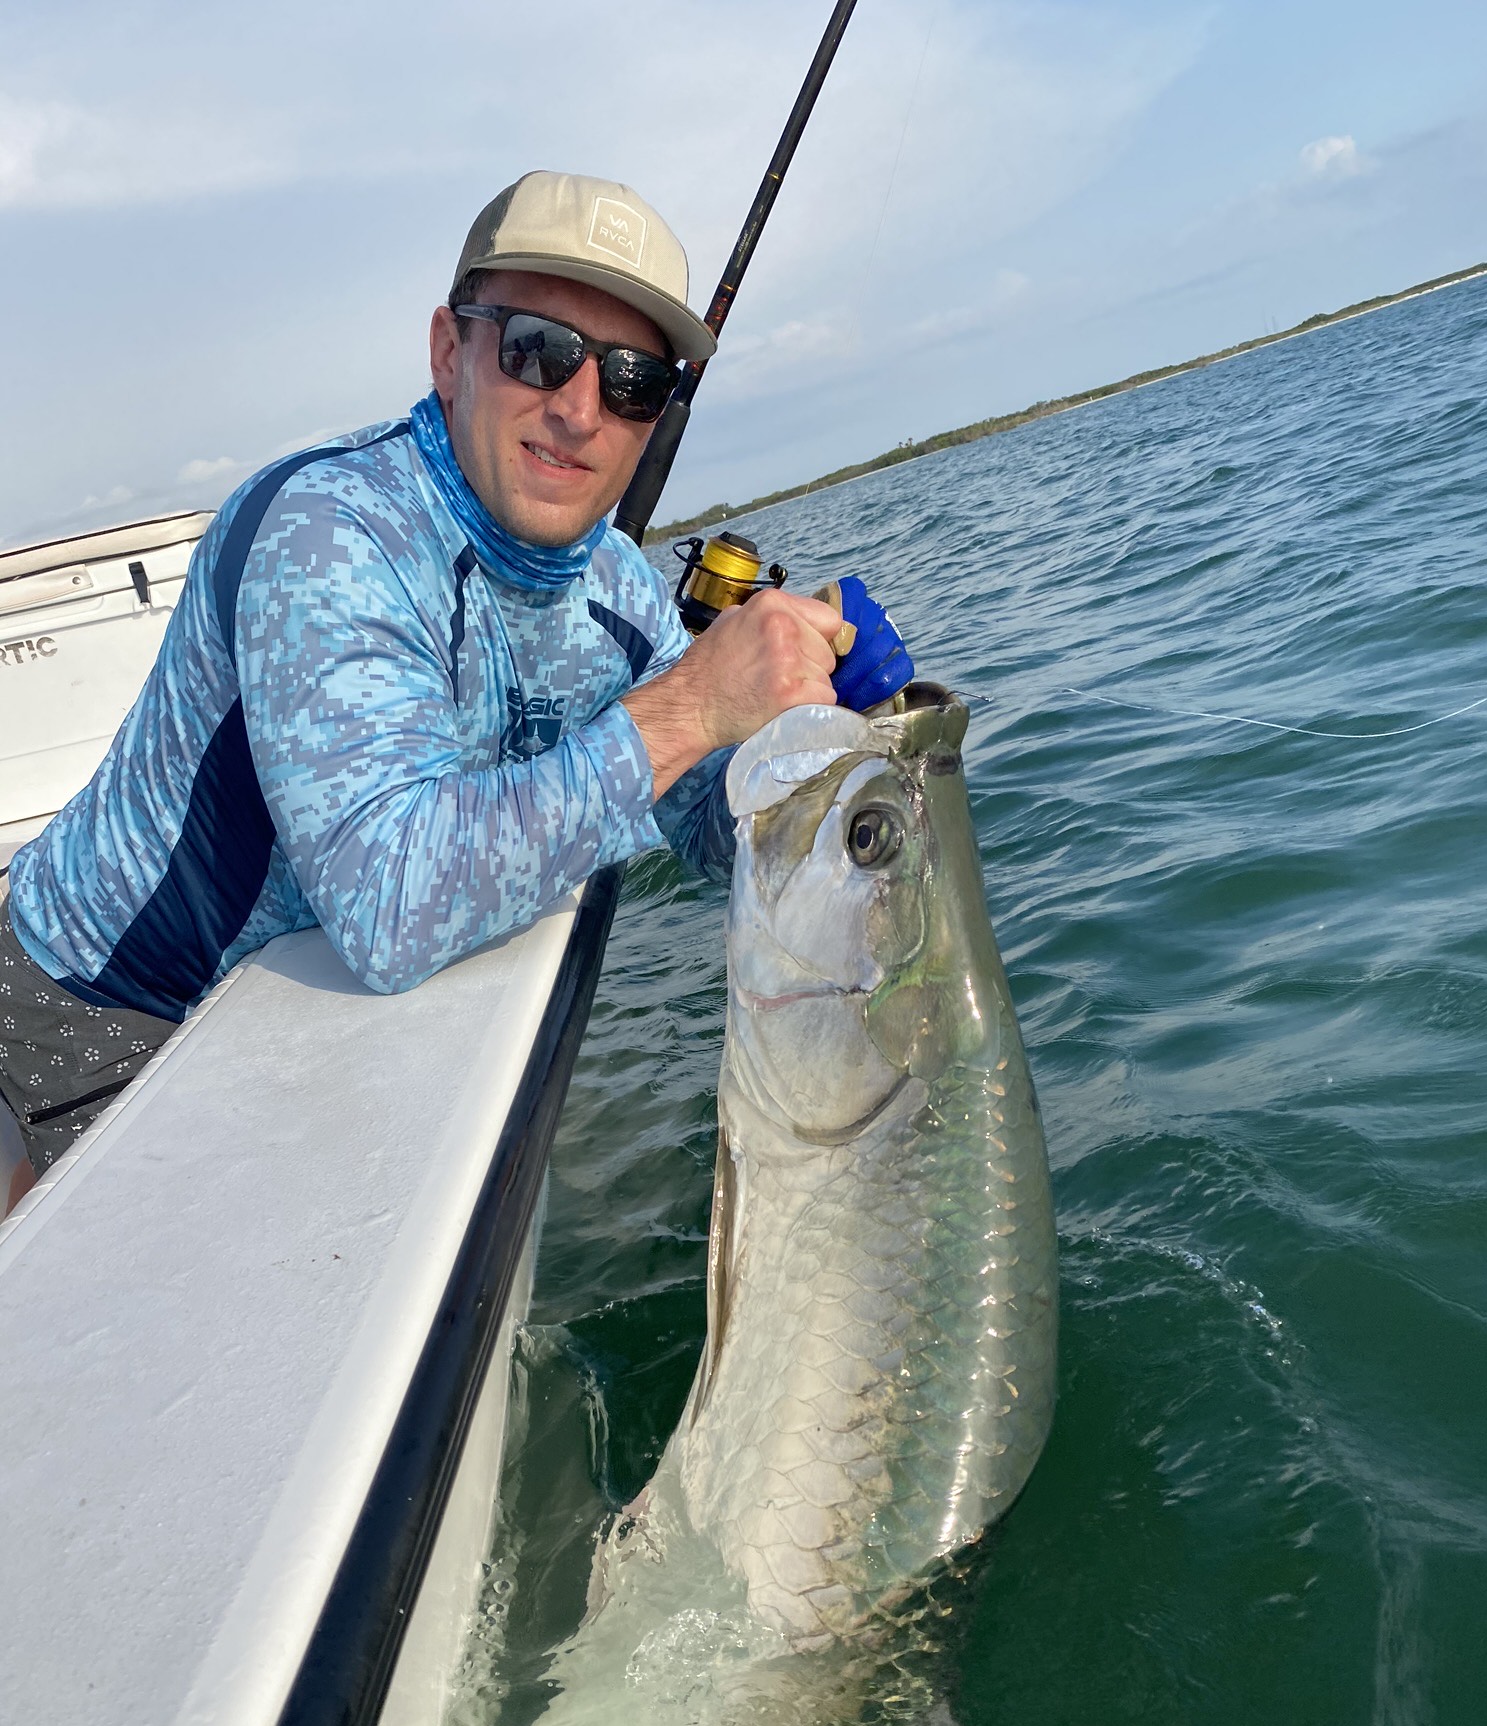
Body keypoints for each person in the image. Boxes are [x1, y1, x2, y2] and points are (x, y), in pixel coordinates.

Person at [0, 171, 912, 1201]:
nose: (577, 409)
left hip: (304, 1006)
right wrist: (697, 702)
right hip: (109, 1001)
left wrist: (814, 736)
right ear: (449, 353)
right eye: (537, 350)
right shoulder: (333, 530)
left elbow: (707, 828)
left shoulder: (618, 588)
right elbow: (389, 908)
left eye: (631, 381)